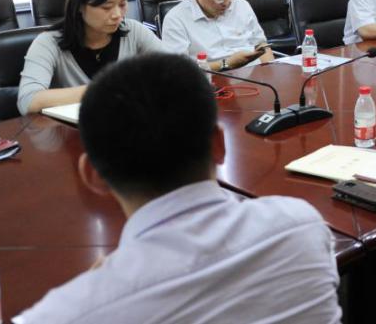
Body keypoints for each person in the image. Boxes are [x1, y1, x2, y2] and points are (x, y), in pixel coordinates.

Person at [17, 53, 342, 324]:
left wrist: (98, 289)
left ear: (92, 175)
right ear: (219, 144)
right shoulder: (302, 225)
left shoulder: (69, 313)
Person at [17, 0, 165, 116]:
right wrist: (106, 88)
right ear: (79, 6)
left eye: (122, 4)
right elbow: (28, 101)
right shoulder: (48, 43)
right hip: (73, 129)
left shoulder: (133, 31)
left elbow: (173, 70)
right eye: (106, 7)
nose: (117, 15)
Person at [162, 0, 273, 71]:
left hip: (255, 74)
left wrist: (271, 70)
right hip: (210, 78)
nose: (227, 2)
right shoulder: (176, 19)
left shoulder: (241, 5)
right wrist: (226, 64)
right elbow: (178, 70)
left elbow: (261, 44)